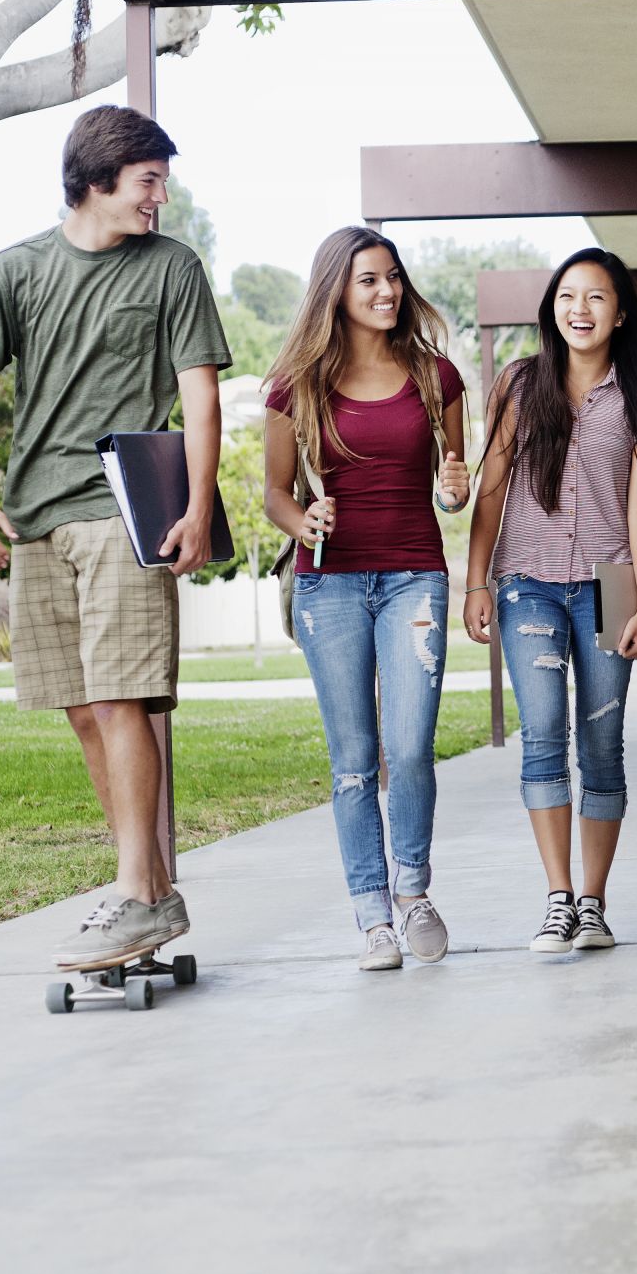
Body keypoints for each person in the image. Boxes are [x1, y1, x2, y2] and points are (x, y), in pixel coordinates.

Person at [0, 105, 229, 970]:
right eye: (149, 180)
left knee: (121, 697)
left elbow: (202, 396)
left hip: (123, 509)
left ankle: (137, 895)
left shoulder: (172, 268)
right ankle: (145, 888)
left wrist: (199, 502)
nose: (161, 196)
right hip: (37, 515)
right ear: (97, 179)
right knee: (79, 705)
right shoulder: (16, 272)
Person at [463, 249, 637, 955]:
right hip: (527, 579)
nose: (580, 309)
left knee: (602, 746)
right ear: (551, 308)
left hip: (611, 583)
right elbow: (491, 486)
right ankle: (557, 898)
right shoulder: (519, 384)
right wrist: (475, 580)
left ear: (620, 313)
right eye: (567, 295)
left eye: (596, 297)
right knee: (542, 734)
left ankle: (594, 903)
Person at [263, 227, 470, 971]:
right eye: (368, 282)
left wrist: (456, 489)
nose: (386, 293)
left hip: (415, 574)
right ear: (336, 295)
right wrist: (303, 518)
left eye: (393, 279)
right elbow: (274, 496)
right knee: (354, 756)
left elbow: (454, 476)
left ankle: (413, 892)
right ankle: (372, 914)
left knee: (409, 747)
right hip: (332, 583)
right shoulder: (297, 384)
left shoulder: (436, 376)